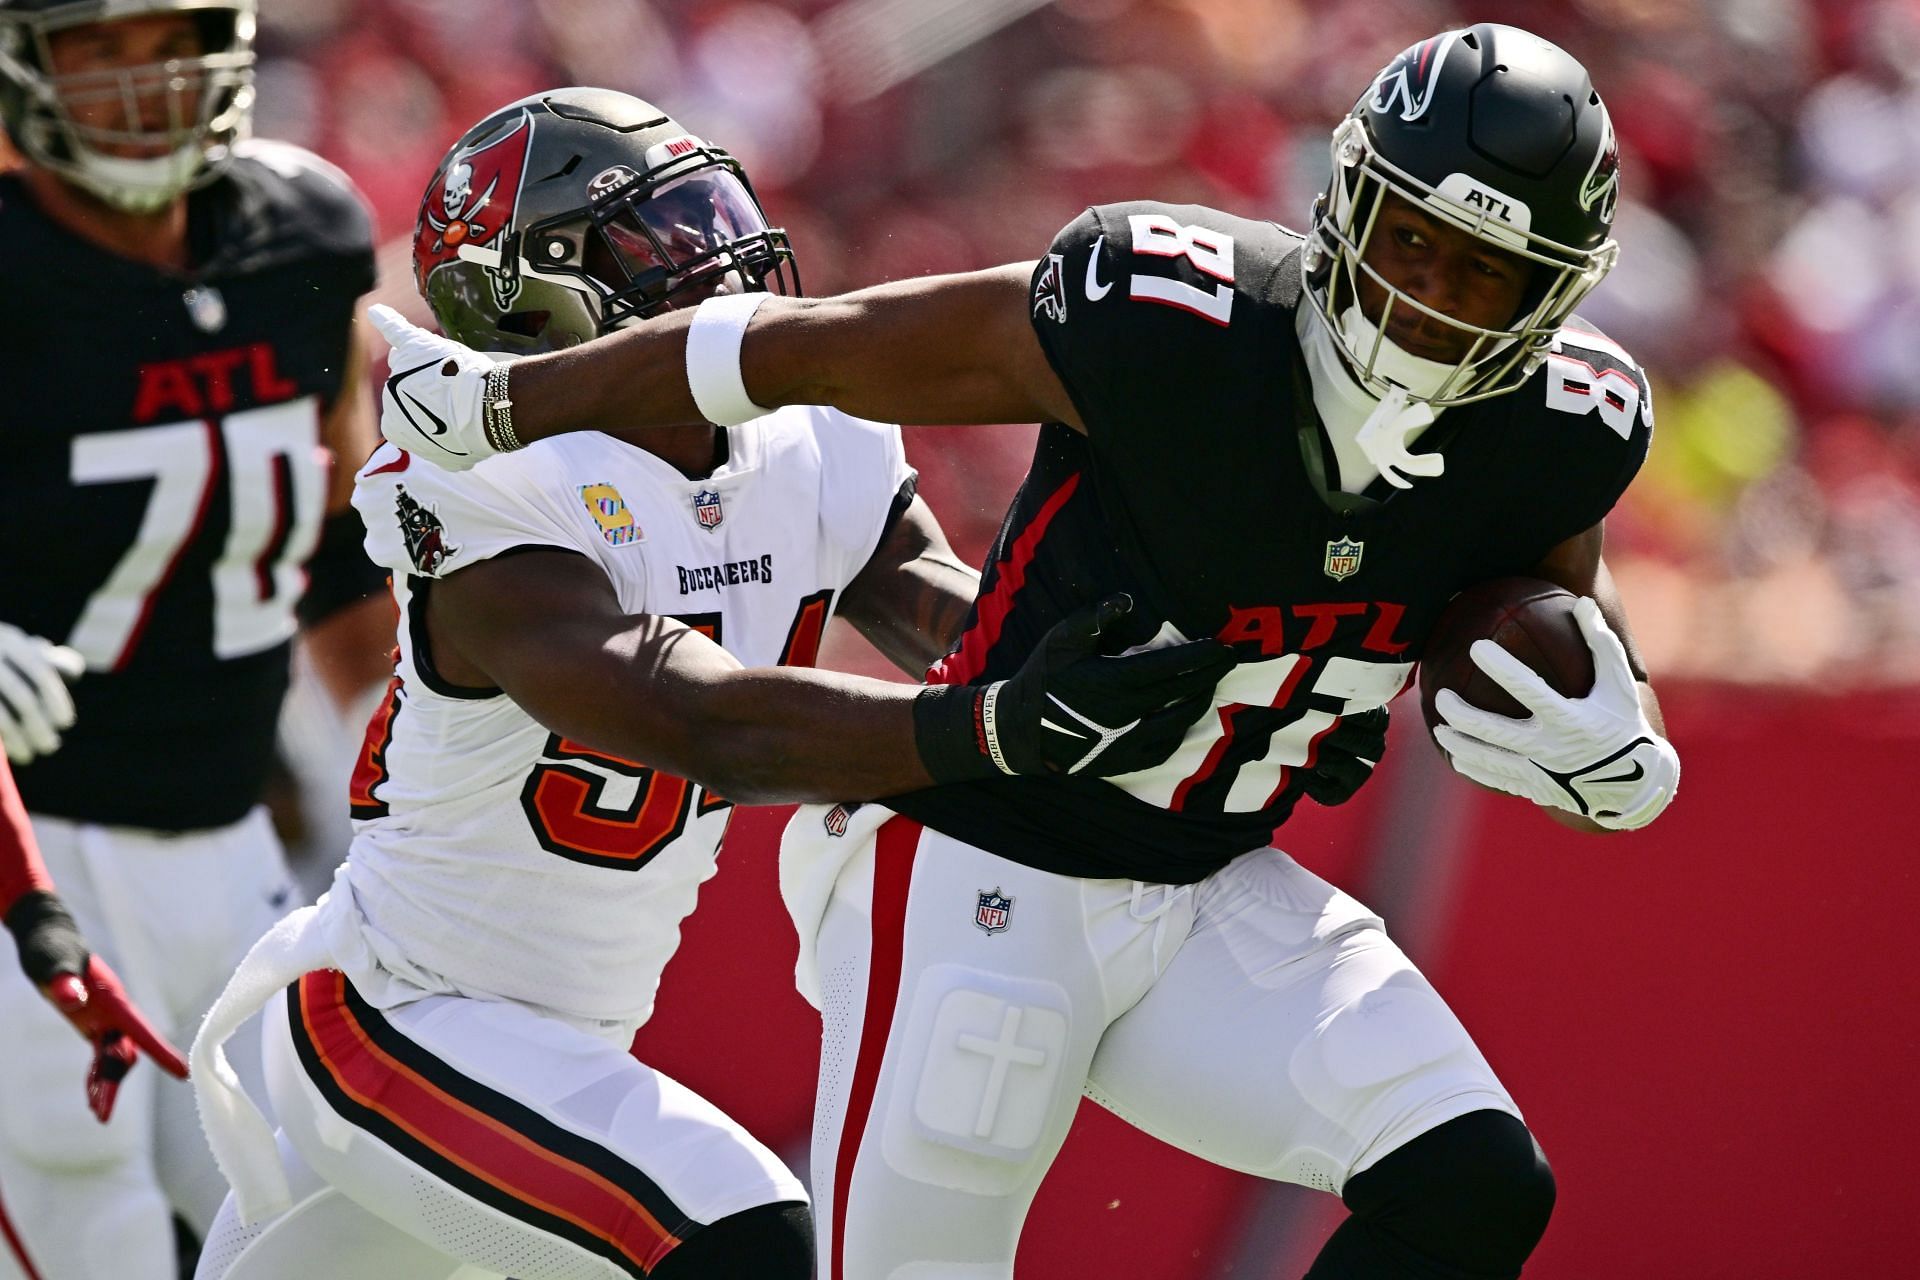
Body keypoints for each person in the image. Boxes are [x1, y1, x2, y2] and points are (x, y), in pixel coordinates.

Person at [371, 25, 1682, 1280]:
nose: (1426, 298)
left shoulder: (1565, 421)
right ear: (1347, 199)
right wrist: (507, 402)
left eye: (1481, 275)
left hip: (1209, 883)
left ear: (1555, 291)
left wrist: (1620, 742)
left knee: (1473, 1183)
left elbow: (1553, 614)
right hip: (980, 869)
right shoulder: (1171, 318)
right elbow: (796, 349)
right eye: (1410, 241)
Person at [187, 87, 1237, 1280]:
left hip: (560, 1045)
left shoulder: (811, 433)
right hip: (399, 1018)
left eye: (714, 212)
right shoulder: (484, 482)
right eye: (662, 235)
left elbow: (946, 612)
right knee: (740, 1235)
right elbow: (704, 721)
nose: (719, 257)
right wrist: (991, 727)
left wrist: (1146, 665)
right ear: (532, 292)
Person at [0, 1, 393, 1276]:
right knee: (86, 1237)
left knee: (319, 1222)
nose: (135, 80)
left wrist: (403, 798)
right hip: (30, 859)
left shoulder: (309, 233)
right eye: (90, 46)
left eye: (161, 35)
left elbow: (339, 538)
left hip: (236, 851)